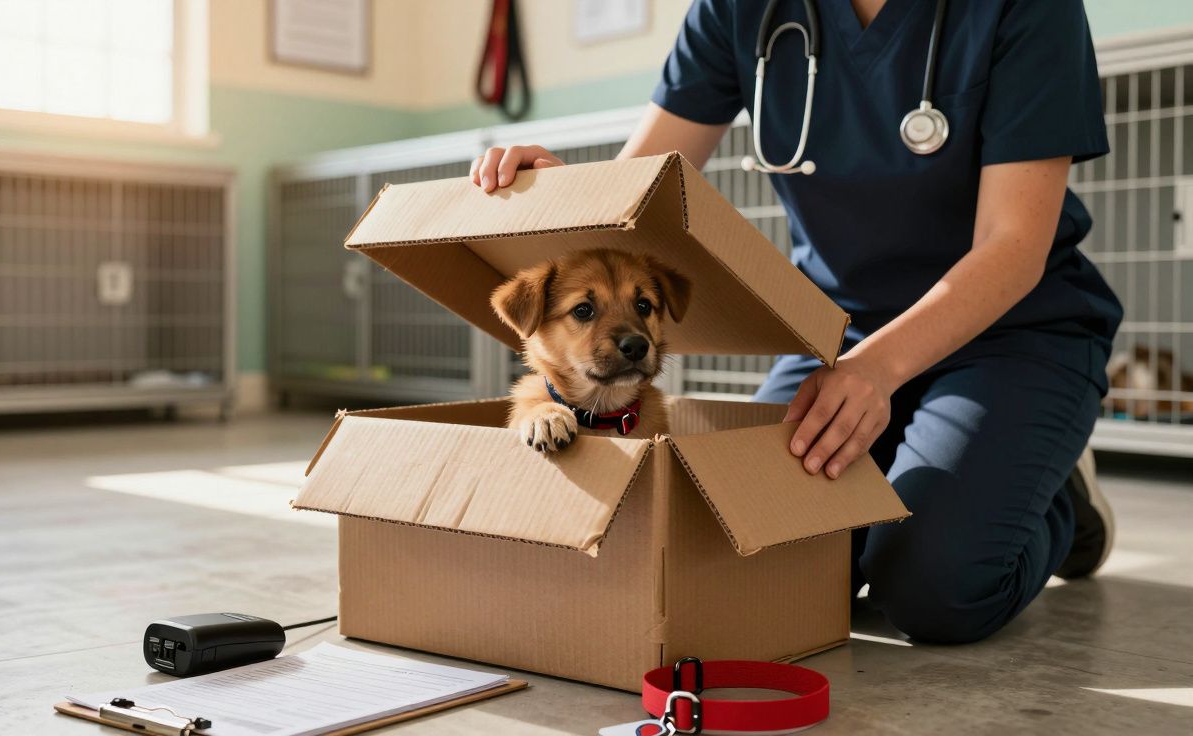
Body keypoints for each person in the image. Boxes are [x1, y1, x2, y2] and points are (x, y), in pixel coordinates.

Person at [470, 0, 1121, 644]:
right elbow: (638, 189)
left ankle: (1060, 496)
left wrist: (880, 370)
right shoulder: (736, 9)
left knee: (930, 585)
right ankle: (965, 475)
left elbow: (1014, 245)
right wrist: (561, 192)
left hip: (1010, 333)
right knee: (763, 562)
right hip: (839, 337)